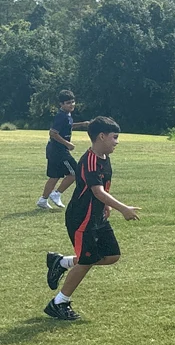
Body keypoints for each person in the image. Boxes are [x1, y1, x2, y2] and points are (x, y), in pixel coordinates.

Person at [44, 116, 140, 321]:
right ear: (102, 136)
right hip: (82, 219)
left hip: (97, 217)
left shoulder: (105, 157)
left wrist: (106, 206)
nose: (117, 141)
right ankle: (59, 302)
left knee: (112, 255)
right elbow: (97, 191)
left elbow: (102, 186)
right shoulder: (89, 160)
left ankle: (62, 262)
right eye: (114, 137)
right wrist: (123, 208)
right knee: (87, 260)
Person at [36, 90, 90, 210]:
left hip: (53, 150)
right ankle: (56, 194)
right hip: (58, 150)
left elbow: (68, 126)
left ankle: (43, 200)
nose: (71, 105)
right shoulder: (61, 116)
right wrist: (67, 144)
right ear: (61, 104)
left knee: (54, 176)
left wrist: (82, 124)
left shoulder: (67, 115)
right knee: (75, 172)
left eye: (73, 102)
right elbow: (53, 133)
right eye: (68, 103)